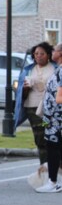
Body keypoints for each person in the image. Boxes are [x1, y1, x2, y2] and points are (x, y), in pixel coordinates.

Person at [15, 42, 56, 165]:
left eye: (42, 54)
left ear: (48, 55)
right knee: (40, 138)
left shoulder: (55, 68)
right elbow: (19, 91)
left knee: (50, 137)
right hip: (33, 109)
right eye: (36, 54)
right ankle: (45, 167)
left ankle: (53, 167)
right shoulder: (28, 70)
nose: (38, 56)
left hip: (49, 109)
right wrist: (24, 88)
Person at [36, 43, 62, 192]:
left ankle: (53, 182)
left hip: (55, 120)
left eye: (55, 50)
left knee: (53, 149)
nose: (52, 52)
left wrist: (49, 112)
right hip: (53, 118)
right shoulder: (58, 70)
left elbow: (59, 97)